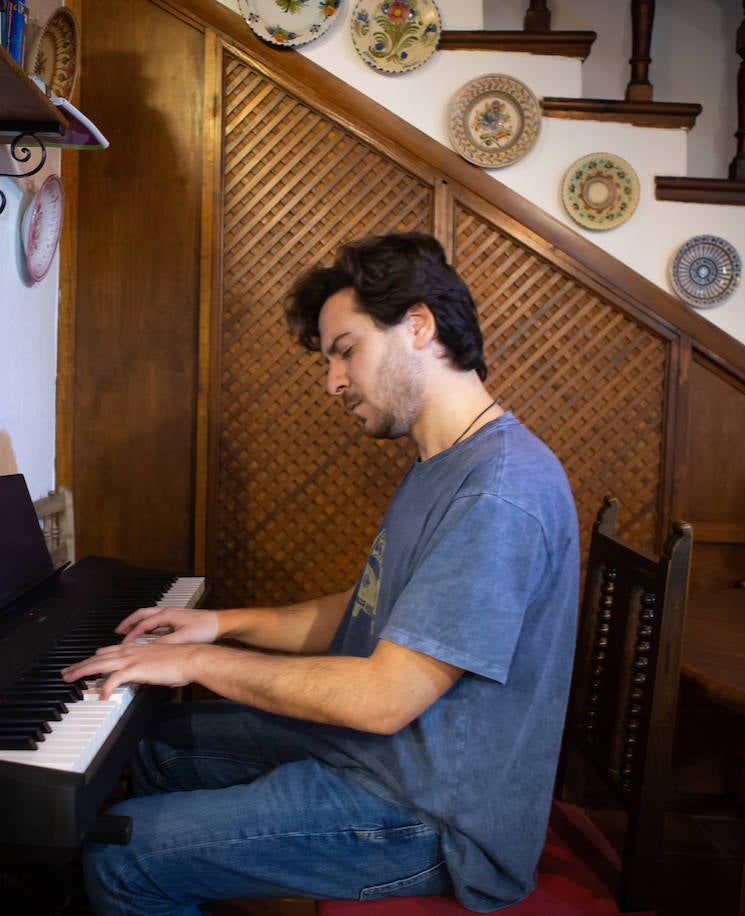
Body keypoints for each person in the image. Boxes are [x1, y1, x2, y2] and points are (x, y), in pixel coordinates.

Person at [63, 232, 580, 914]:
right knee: (161, 748)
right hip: (381, 758)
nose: (333, 380)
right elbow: (374, 606)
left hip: (433, 819)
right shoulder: (444, 462)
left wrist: (195, 663)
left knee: (121, 856)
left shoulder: (499, 491)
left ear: (419, 327)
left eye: (345, 351)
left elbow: (383, 697)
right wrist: (220, 625)